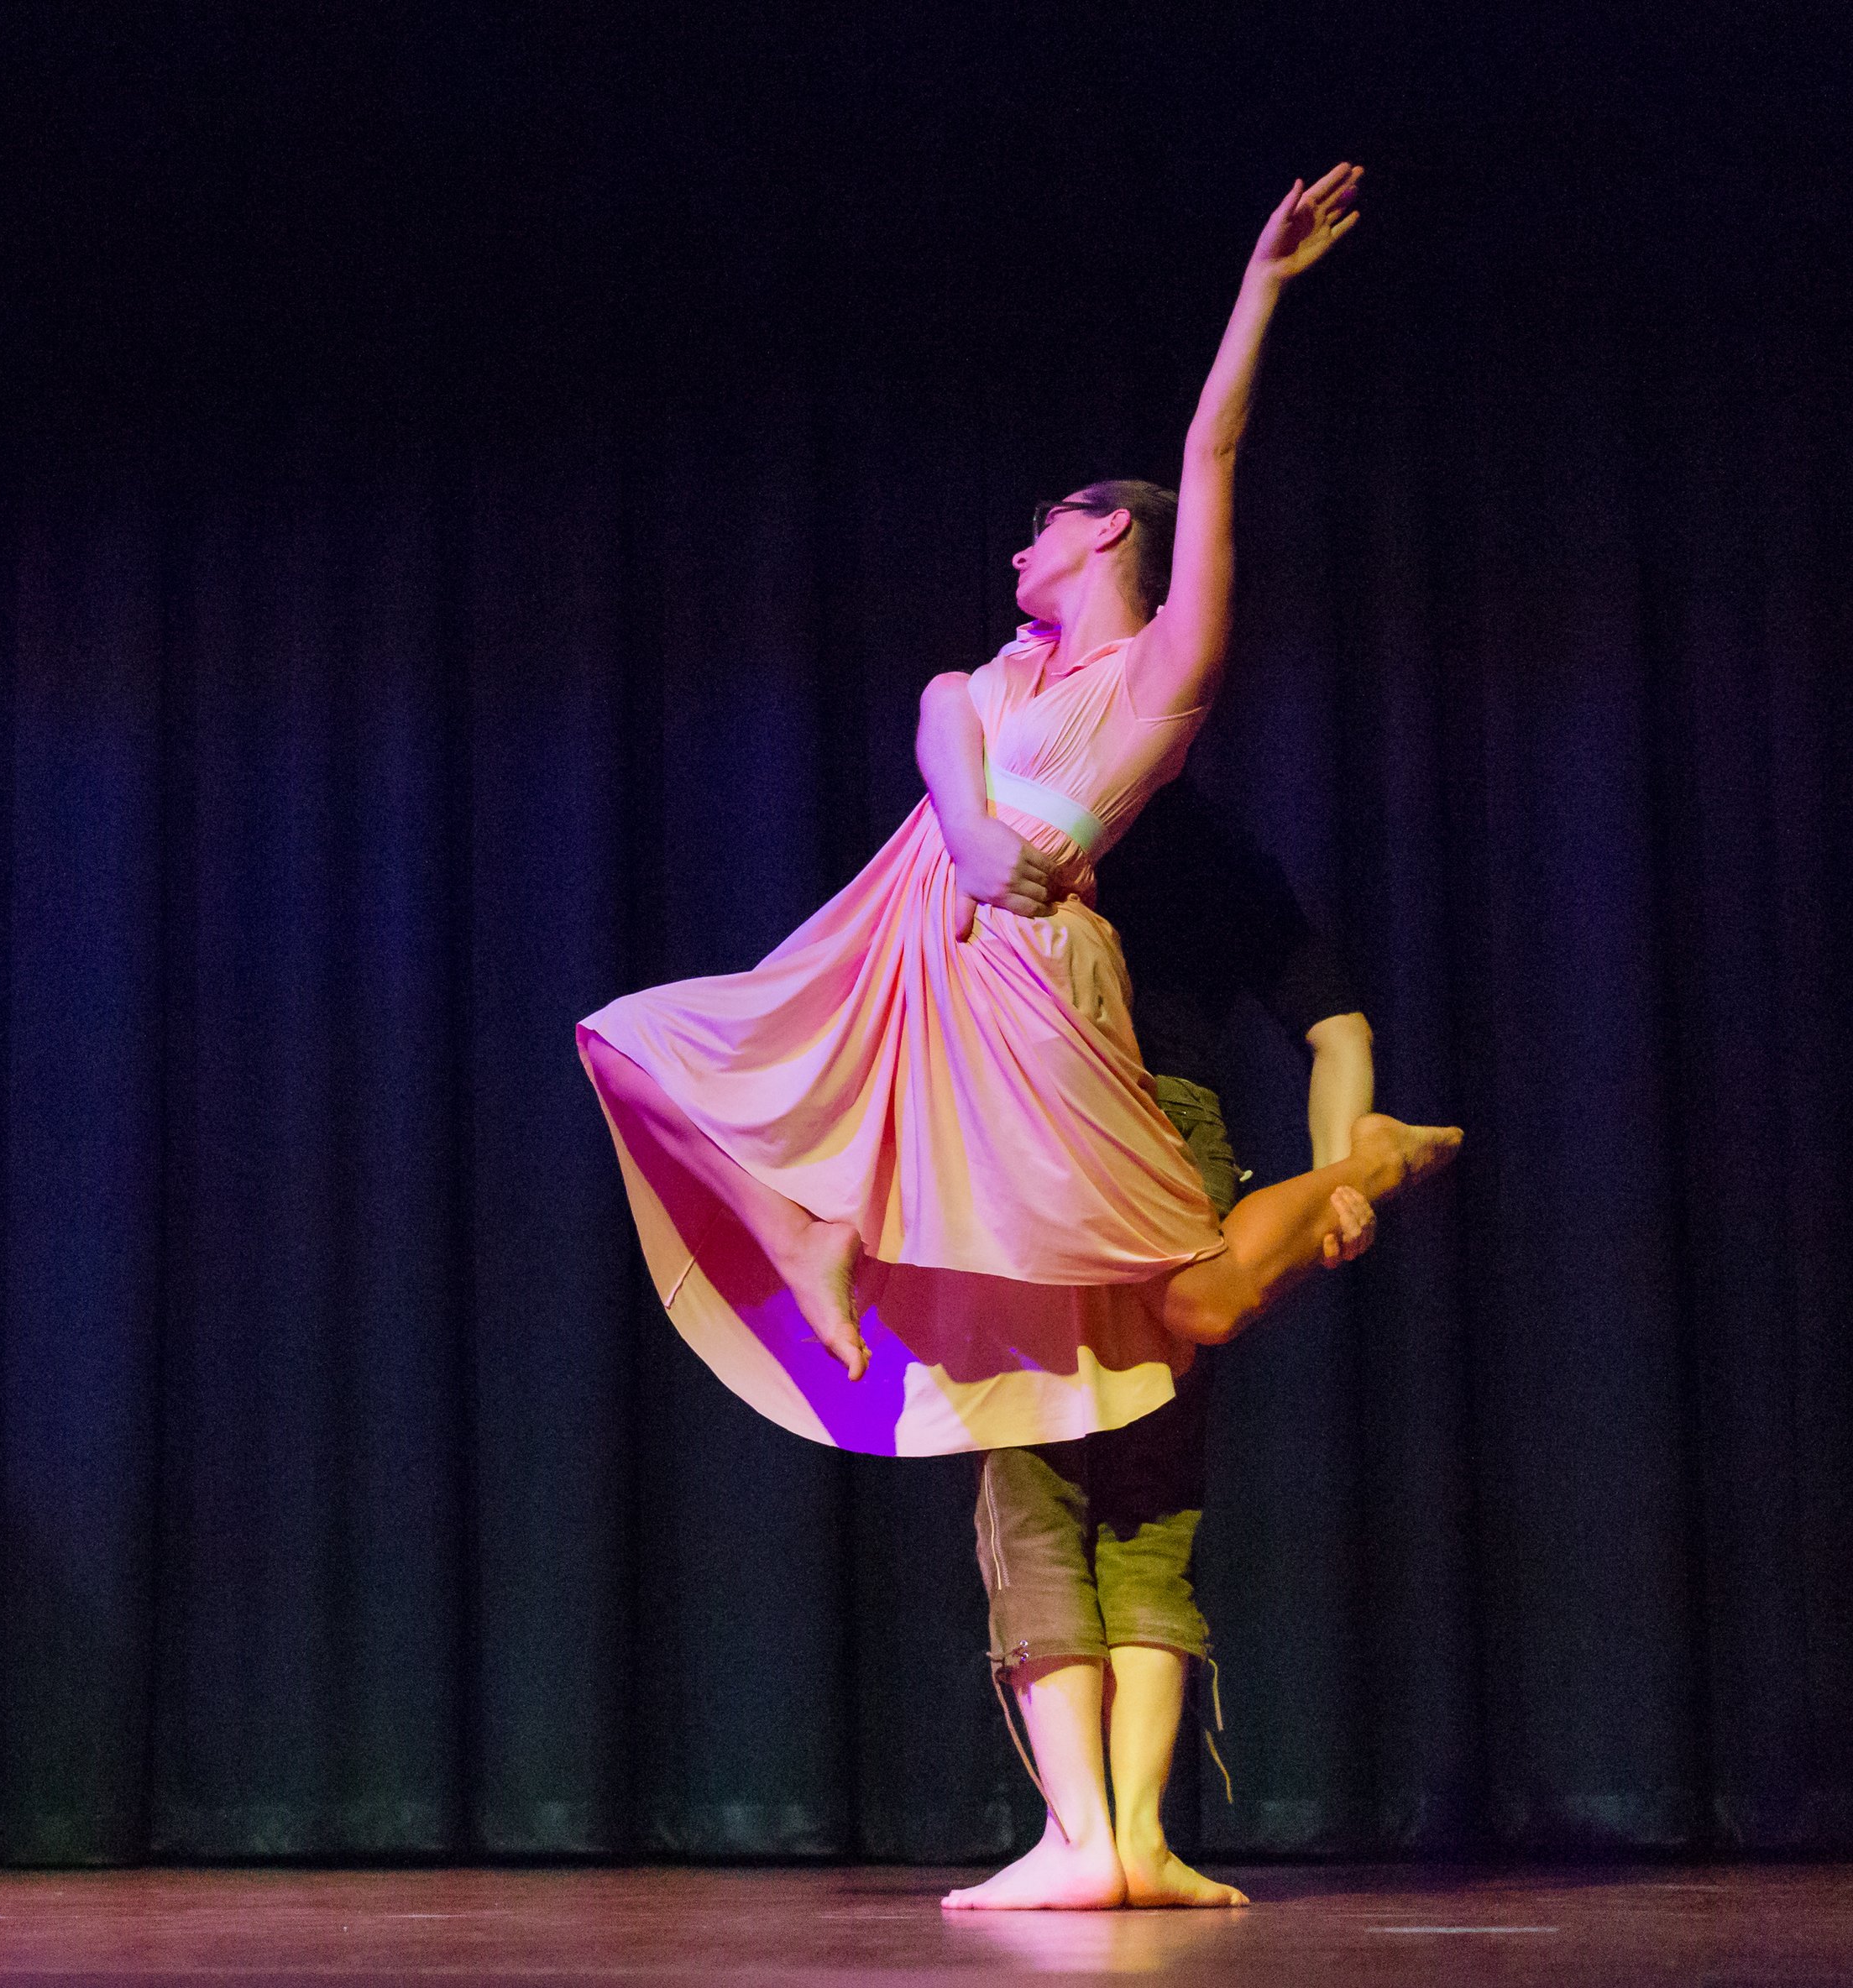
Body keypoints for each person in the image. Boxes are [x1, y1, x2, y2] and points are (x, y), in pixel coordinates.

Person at [576, 164, 1457, 1465]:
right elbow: (943, 714)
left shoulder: (1157, 676)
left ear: (1109, 537)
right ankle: (806, 1237)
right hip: (909, 948)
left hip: (1031, 976)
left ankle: (1365, 1165)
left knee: (1199, 1303)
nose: (1018, 547)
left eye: (1045, 526)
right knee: (633, 1047)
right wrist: (973, 830)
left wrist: (1260, 287)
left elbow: (1210, 452)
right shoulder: (996, 675)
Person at [951, 776, 1375, 1911]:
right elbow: (1339, 1029)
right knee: (1152, 1496)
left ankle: (1080, 1840)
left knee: (1034, 1486)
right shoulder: (1220, 840)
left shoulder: (1030, 825)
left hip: (1055, 1123)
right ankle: (1141, 1839)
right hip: (1185, 1146)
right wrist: (1337, 1177)